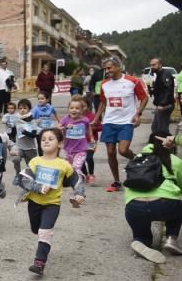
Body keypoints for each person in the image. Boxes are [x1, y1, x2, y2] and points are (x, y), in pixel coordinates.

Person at [12, 128, 86, 275]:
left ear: (60, 144)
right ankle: (40, 237)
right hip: (34, 202)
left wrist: (79, 193)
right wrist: (38, 187)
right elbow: (23, 180)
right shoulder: (35, 161)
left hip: (52, 204)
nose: (46, 141)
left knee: (45, 232)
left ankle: (39, 262)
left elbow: (75, 180)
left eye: (50, 139)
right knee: (36, 229)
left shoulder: (63, 164)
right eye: (43, 139)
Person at [123, 131, 182, 263]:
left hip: (134, 207)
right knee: (178, 205)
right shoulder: (173, 160)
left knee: (142, 235)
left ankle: (140, 241)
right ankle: (171, 238)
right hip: (164, 205)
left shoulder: (136, 158)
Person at [93, 56, 147, 192]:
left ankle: (136, 158)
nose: (107, 71)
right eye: (105, 68)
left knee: (122, 150)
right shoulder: (104, 84)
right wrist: (96, 119)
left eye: (109, 68)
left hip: (126, 122)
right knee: (110, 152)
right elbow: (103, 102)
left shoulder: (132, 81)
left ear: (118, 67)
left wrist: (138, 113)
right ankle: (117, 182)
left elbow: (144, 97)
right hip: (109, 122)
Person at [60, 96, 94, 181]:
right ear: (68, 109)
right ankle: (79, 176)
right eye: (71, 108)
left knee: (76, 167)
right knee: (68, 167)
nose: (74, 110)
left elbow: (89, 127)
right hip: (68, 149)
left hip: (81, 149)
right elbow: (58, 128)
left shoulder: (85, 120)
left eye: (77, 108)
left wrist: (91, 137)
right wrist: (65, 128)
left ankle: (78, 180)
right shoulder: (65, 119)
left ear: (82, 110)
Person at [148, 57, 176, 134]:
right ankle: (159, 143)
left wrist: (161, 104)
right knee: (155, 127)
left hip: (165, 105)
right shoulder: (158, 74)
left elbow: (168, 90)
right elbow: (160, 89)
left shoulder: (165, 74)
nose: (152, 67)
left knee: (162, 129)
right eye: (151, 65)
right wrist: (152, 89)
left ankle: (166, 144)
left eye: (154, 65)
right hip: (161, 105)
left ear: (160, 65)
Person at [12, 99, 39, 175]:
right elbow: (13, 131)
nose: (22, 110)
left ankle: (32, 180)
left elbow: (33, 135)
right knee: (15, 159)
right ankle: (18, 174)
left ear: (29, 109)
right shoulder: (16, 119)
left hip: (30, 149)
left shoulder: (32, 121)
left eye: (24, 108)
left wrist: (25, 132)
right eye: (20, 108)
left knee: (32, 168)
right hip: (20, 147)